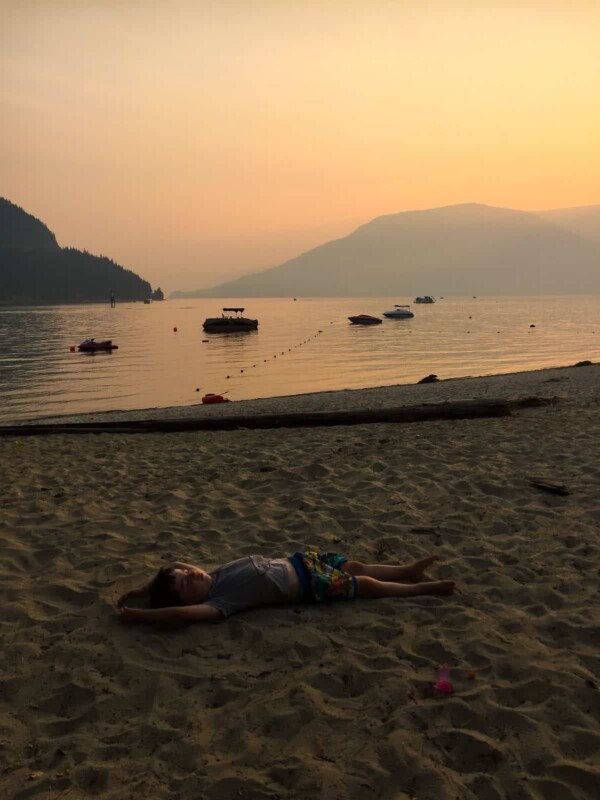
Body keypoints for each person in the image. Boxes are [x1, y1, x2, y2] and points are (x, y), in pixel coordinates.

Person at [117, 551, 457, 624]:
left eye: (187, 571)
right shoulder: (220, 601)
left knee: (355, 566)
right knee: (364, 584)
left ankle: (407, 569)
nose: (190, 574)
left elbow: (172, 568)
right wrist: (139, 613)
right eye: (186, 583)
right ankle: (424, 589)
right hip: (310, 585)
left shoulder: (215, 575)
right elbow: (182, 613)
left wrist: (142, 590)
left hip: (302, 561)